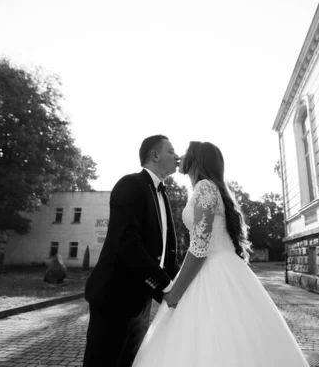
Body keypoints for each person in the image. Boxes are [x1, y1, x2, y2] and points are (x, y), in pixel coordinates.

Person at [132, 141, 309, 367]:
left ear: (196, 158)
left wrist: (176, 292)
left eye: (185, 150)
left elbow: (199, 247)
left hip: (212, 271)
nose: (179, 155)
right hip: (226, 267)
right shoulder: (210, 188)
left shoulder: (205, 188)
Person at [83, 134, 180, 367]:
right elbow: (127, 244)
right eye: (171, 151)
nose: (177, 157)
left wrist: (182, 284)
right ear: (155, 155)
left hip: (141, 301)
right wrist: (166, 286)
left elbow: (164, 254)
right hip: (114, 300)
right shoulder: (130, 184)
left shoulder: (162, 195)